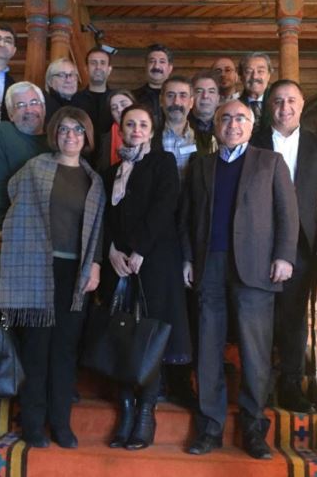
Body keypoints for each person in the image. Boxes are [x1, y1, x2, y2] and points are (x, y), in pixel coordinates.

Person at [181, 99, 299, 459]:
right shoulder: (200, 165)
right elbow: (186, 217)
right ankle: (210, 427)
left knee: (255, 350)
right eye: (226, 118)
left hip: (257, 266)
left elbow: (287, 213)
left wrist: (284, 256)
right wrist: (187, 258)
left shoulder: (270, 162)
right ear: (216, 125)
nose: (233, 124)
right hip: (210, 265)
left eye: (240, 119)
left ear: (251, 125)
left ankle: (253, 427)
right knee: (208, 347)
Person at [0, 106, 105, 449]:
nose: (71, 135)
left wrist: (95, 264)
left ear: (86, 136)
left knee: (65, 350)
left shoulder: (94, 180)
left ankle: (60, 423)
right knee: (36, 348)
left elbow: (98, 227)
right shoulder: (36, 168)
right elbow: (13, 195)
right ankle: (32, 423)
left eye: (78, 130)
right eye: (64, 129)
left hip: (75, 274)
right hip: (37, 268)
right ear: (55, 134)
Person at [252, 79, 317, 412]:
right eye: (278, 101)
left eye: (291, 100)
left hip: (301, 243)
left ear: (302, 104)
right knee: (258, 316)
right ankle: (259, 384)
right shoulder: (253, 141)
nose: (285, 107)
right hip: (257, 240)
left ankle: (290, 384)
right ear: (269, 106)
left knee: (293, 316)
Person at [103, 104, 191, 451]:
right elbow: (105, 217)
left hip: (154, 262)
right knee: (124, 337)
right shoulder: (111, 172)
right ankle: (125, 411)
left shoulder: (163, 162)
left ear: (152, 132)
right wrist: (111, 250)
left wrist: (140, 249)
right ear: (121, 130)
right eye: (130, 124)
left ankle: (145, 415)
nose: (136, 129)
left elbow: (164, 207)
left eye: (142, 125)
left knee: (150, 337)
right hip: (119, 265)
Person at [0, 81, 49, 233]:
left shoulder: (56, 138)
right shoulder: (4, 132)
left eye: (34, 103)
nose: (29, 110)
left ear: (43, 108)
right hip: (16, 219)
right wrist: (0, 223)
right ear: (11, 115)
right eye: (20, 105)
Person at [157, 75, 196, 183]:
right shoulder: (149, 139)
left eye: (183, 96)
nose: (176, 102)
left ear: (191, 102)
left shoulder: (205, 140)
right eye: (170, 95)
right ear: (161, 101)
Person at [72, 46, 114, 136]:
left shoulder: (116, 100)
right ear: (86, 69)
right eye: (93, 63)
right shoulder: (75, 100)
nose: (98, 67)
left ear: (109, 70)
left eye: (102, 63)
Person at [134, 44, 174, 132]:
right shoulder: (133, 97)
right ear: (146, 66)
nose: (156, 66)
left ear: (170, 68)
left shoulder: (180, 98)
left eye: (162, 62)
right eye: (152, 61)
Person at [97, 89, 136, 172]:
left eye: (124, 104)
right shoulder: (104, 138)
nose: (119, 110)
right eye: (114, 108)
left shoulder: (148, 133)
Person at [238, 52, 274, 134]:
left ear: (269, 75)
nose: (254, 76)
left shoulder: (279, 104)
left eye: (260, 71)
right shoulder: (234, 106)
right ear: (241, 77)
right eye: (248, 71)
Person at [188, 70, 221, 156]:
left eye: (211, 91)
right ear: (191, 97)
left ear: (218, 99)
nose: (205, 96)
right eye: (199, 91)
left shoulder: (226, 125)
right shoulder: (181, 126)